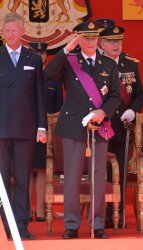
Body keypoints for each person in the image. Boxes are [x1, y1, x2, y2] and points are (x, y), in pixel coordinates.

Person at [44, 21, 120, 239]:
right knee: (72, 178)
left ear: (98, 39)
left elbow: (115, 94)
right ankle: (71, 224)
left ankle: (97, 224)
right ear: (78, 39)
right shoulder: (69, 61)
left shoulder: (108, 64)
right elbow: (49, 73)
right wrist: (67, 48)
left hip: (99, 126)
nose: (90, 42)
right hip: (73, 127)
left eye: (94, 38)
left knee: (98, 176)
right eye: (86, 38)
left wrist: (103, 112)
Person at [0, 12, 47, 240]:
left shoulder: (33, 59)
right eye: (6, 30)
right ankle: (3, 225)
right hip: (0, 127)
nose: (10, 34)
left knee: (22, 178)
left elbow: (39, 96)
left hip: (26, 128)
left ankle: (20, 225)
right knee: (1, 179)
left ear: (22, 32)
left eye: (14, 30)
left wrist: (42, 127)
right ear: (2, 32)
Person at [99, 25, 143, 229]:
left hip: (124, 125)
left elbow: (140, 94)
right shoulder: (96, 64)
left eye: (119, 41)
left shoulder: (130, 64)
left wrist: (134, 110)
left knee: (121, 172)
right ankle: (102, 215)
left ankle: (118, 212)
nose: (116, 44)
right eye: (111, 41)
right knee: (104, 171)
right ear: (101, 43)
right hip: (103, 125)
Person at [28, 42, 63, 222]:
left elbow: (58, 107)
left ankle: (40, 209)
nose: (39, 55)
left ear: (46, 55)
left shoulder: (53, 78)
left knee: (42, 169)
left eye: (42, 52)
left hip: (46, 132)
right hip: (26, 129)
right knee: (25, 169)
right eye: (35, 52)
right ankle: (26, 209)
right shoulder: (25, 73)